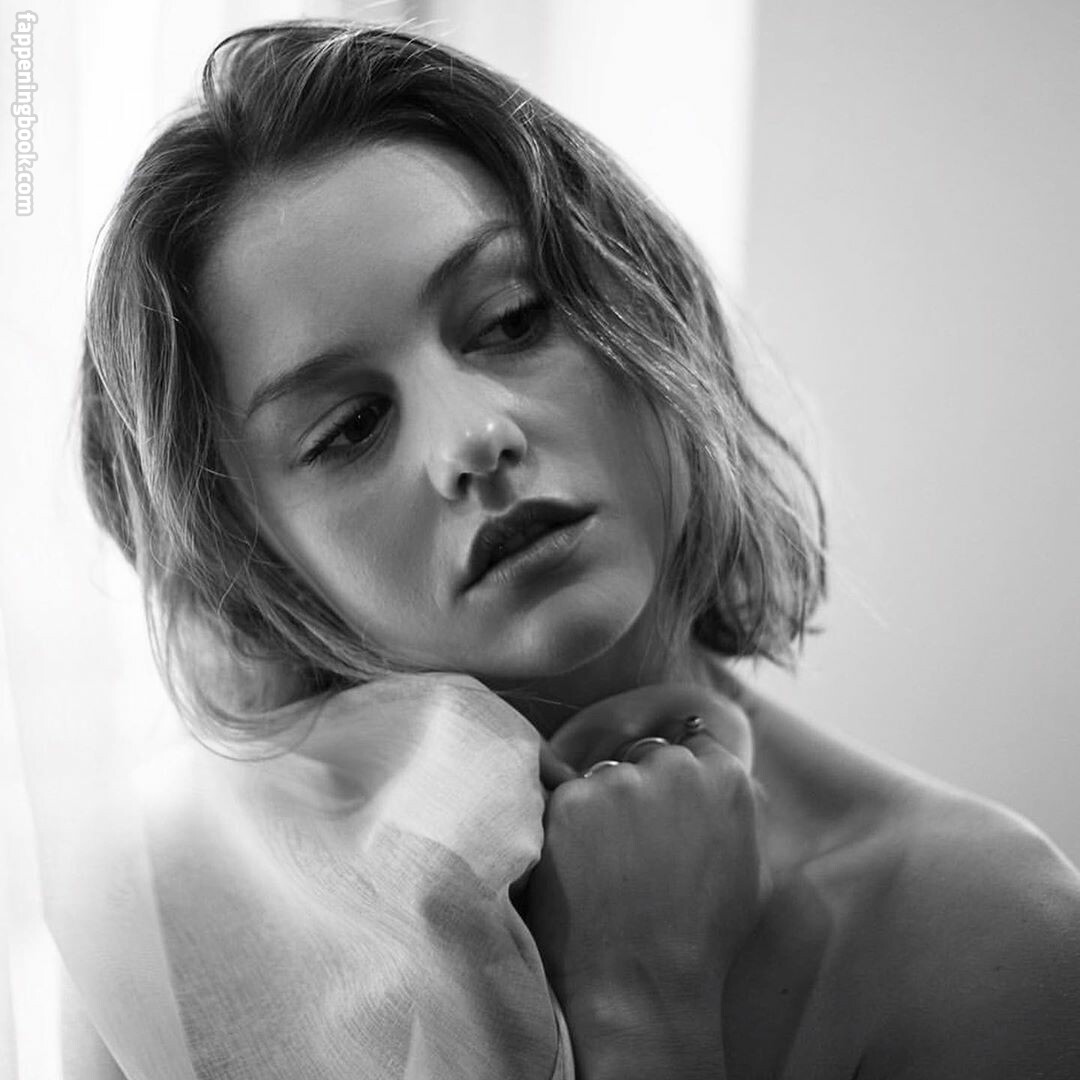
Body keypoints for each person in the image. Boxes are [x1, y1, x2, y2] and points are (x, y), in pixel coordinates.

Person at [68, 18, 1079, 1080]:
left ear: (646, 306)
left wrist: (642, 999)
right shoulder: (169, 941)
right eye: (351, 426)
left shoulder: (985, 931)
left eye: (511, 320)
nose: (474, 439)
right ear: (253, 565)